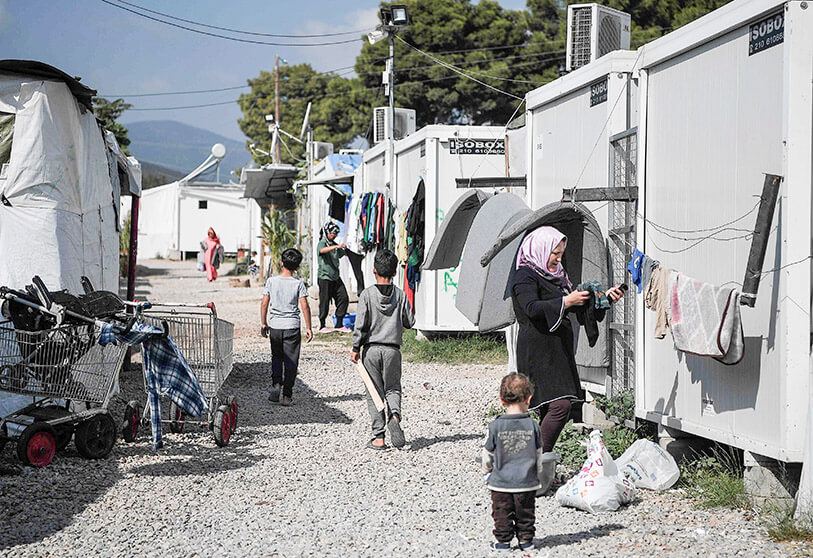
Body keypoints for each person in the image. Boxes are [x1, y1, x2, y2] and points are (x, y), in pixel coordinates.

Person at [510, 226, 624, 453]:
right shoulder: (524, 275)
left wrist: (604, 299)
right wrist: (565, 301)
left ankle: (535, 460)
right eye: (555, 253)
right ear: (541, 249)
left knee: (551, 405)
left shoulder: (556, 276)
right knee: (560, 405)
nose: (558, 259)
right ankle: (536, 456)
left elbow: (573, 308)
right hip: (537, 349)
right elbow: (531, 308)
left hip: (558, 349)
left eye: (561, 253)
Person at [350, 249, 415, 449]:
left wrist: (355, 347)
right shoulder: (400, 295)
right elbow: (410, 321)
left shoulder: (367, 294)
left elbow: (360, 324)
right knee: (393, 388)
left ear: (374, 270)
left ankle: (379, 437)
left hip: (371, 349)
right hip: (392, 350)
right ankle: (394, 416)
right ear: (395, 272)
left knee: (374, 392)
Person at [482, 373, 550, 551]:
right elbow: (538, 452)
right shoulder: (533, 425)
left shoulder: (496, 426)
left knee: (501, 512)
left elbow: (487, 453)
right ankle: (526, 540)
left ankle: (503, 542)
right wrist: (537, 471)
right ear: (529, 399)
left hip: (501, 482)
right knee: (525, 512)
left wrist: (487, 470)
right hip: (526, 481)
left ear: (501, 400)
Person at [260, 248, 313, 406]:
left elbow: (264, 303)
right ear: (297, 267)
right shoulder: (298, 284)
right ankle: (287, 396)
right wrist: (309, 327)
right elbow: (305, 306)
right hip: (292, 326)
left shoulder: (271, 281)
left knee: (276, 357)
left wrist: (263, 323)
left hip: (275, 326)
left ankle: (276, 384)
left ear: (281, 263)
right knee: (291, 361)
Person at [317, 221, 350, 333]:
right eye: (332, 233)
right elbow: (322, 251)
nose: (334, 235)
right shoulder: (322, 243)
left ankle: (339, 324)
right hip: (325, 277)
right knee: (325, 301)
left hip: (335, 277)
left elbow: (342, 254)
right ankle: (322, 325)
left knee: (343, 298)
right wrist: (336, 246)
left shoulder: (334, 244)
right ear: (327, 232)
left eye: (336, 234)